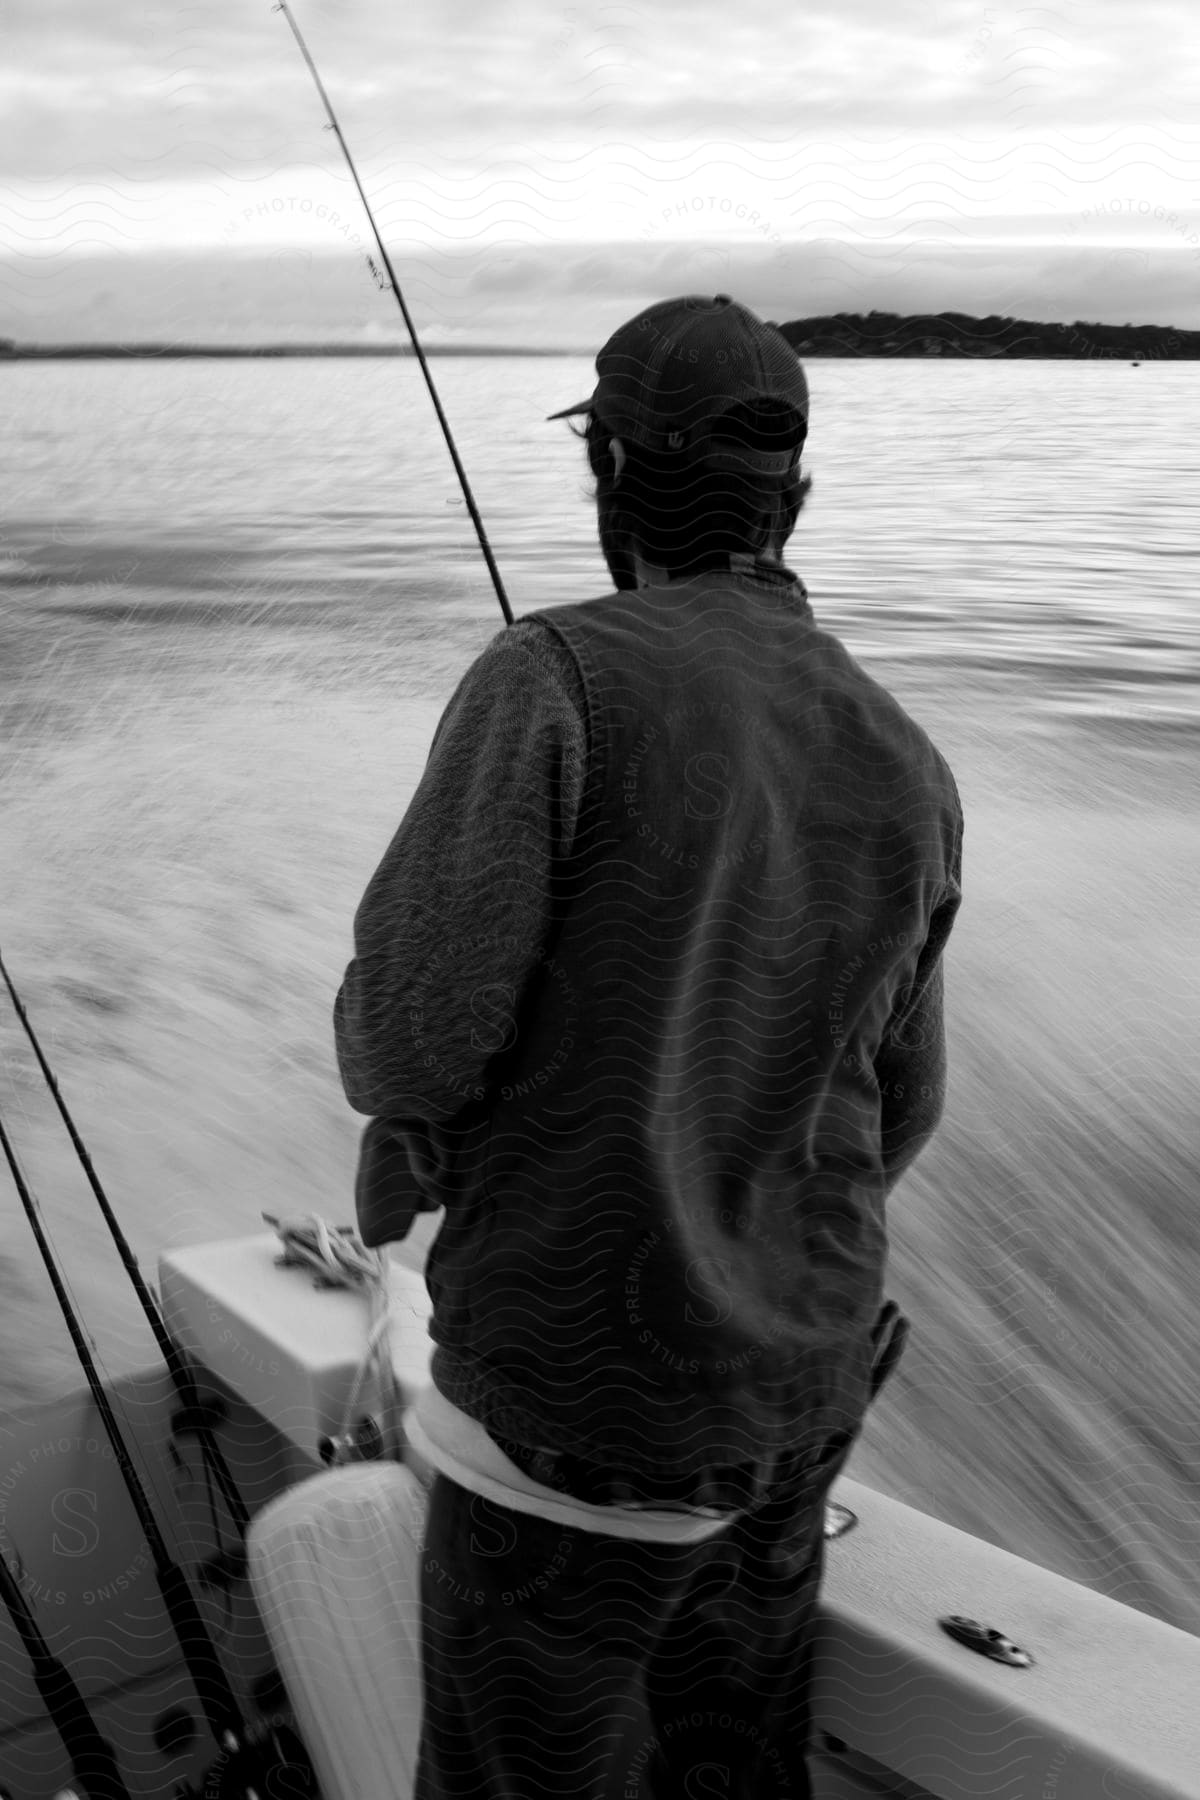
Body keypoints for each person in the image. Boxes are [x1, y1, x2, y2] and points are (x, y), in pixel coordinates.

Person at [333, 294, 964, 1800]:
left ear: (608, 474)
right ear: (791, 495)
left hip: (585, 1418)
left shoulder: (547, 677)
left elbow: (409, 1044)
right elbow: (906, 1111)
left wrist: (422, 1122)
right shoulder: (906, 754)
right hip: (800, 1407)